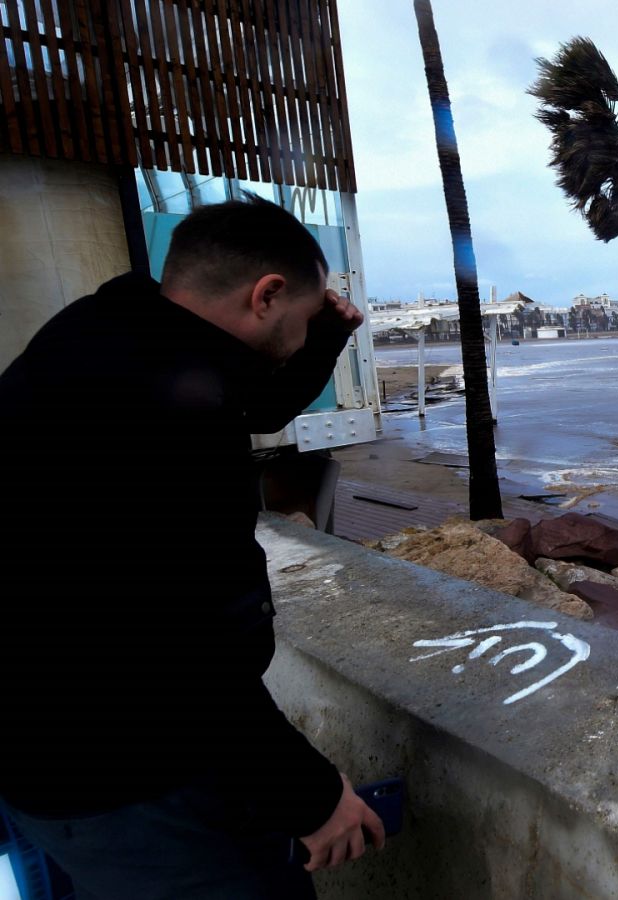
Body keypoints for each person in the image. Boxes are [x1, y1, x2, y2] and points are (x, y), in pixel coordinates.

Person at [0, 198, 384, 899]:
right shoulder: (165, 417)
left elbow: (256, 402)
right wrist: (313, 797)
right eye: (297, 322)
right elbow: (176, 648)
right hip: (119, 772)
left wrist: (325, 335)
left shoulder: (108, 332)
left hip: (49, 744)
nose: (299, 343)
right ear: (266, 293)